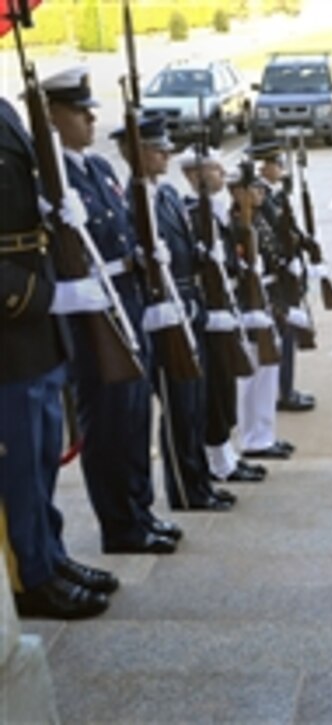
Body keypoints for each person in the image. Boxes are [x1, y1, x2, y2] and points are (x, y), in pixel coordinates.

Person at [44, 66, 180, 553]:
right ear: (53, 116)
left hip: (125, 299)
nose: (89, 120)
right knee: (107, 423)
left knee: (135, 415)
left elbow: (122, 226)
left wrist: (144, 258)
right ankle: (120, 527)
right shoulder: (47, 176)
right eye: (80, 112)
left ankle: (140, 511)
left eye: (89, 111)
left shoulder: (97, 168)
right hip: (90, 313)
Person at [0, 94, 113, 619]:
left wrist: (51, 203)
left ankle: (50, 554)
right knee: (19, 463)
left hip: (36, 327)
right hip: (11, 320)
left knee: (43, 453)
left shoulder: (4, 110)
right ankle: (30, 576)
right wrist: (43, 298)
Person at [112, 117, 234, 512]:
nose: (166, 154)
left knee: (195, 406)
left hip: (188, 307)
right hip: (163, 314)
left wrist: (205, 255)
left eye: (166, 147)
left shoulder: (165, 196)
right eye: (156, 148)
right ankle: (185, 490)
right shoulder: (130, 200)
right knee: (178, 407)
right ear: (133, 152)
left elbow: (184, 248)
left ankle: (199, 482)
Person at [178, 147, 265, 484]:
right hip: (209, 312)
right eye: (214, 169)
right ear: (193, 176)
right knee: (214, 390)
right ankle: (218, 461)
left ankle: (227, 455)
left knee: (226, 386)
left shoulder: (219, 212)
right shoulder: (190, 213)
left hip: (226, 306)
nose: (219, 175)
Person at [228, 167, 294, 461]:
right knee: (251, 375)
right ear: (238, 194)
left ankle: (264, 436)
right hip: (250, 304)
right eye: (253, 189)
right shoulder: (233, 225)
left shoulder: (258, 220)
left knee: (268, 370)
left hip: (268, 298)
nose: (260, 194)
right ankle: (251, 438)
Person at [253, 143, 315, 413]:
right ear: (264, 167)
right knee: (283, 335)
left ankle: (287, 388)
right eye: (277, 163)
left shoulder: (273, 196)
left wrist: (305, 243)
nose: (281, 168)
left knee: (288, 336)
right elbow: (277, 237)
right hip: (276, 282)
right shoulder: (262, 199)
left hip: (285, 277)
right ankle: (284, 392)